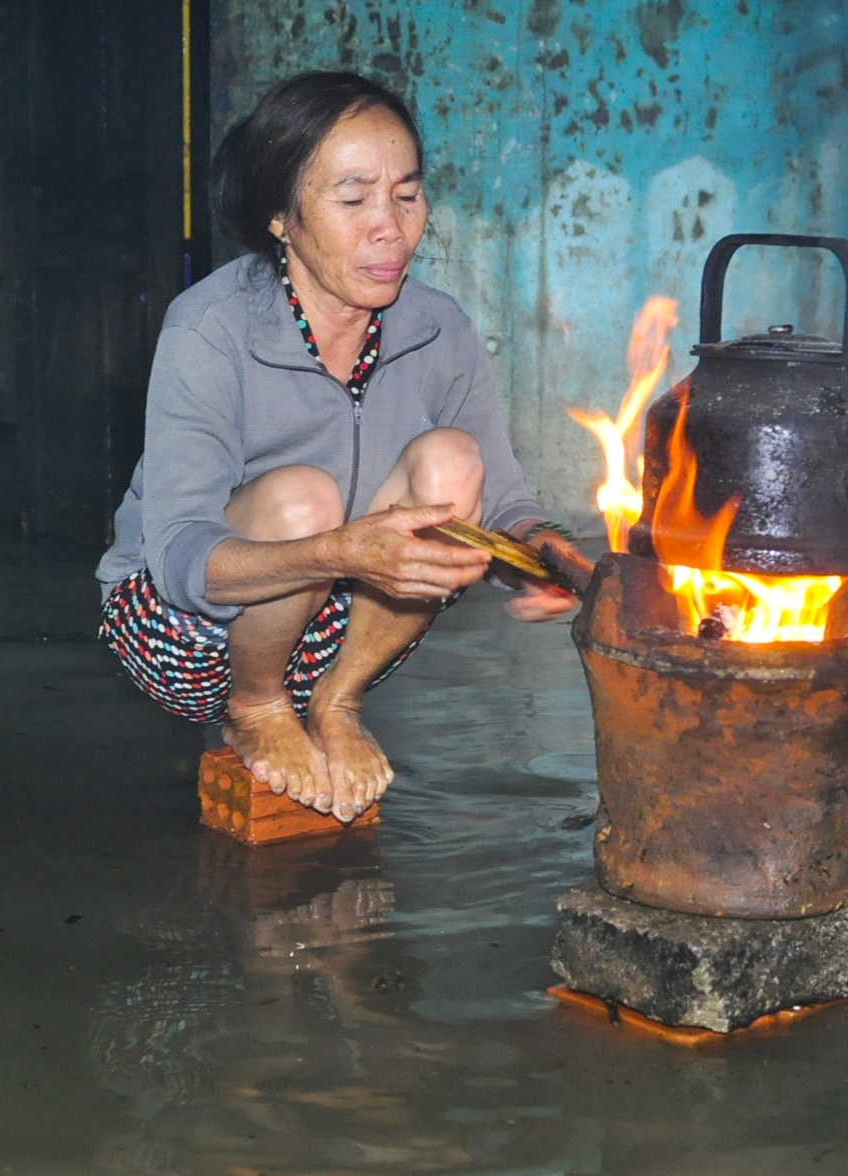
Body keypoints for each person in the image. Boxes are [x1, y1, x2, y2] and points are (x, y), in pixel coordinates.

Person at [97, 71, 579, 825]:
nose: (389, 227)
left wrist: (548, 559)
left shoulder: (435, 326)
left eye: (407, 196)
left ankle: (337, 704)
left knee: (451, 458)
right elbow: (183, 559)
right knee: (302, 499)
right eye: (352, 200)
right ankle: (256, 707)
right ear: (281, 219)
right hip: (190, 631)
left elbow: (507, 503)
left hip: (337, 624)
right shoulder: (211, 328)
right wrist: (336, 551)